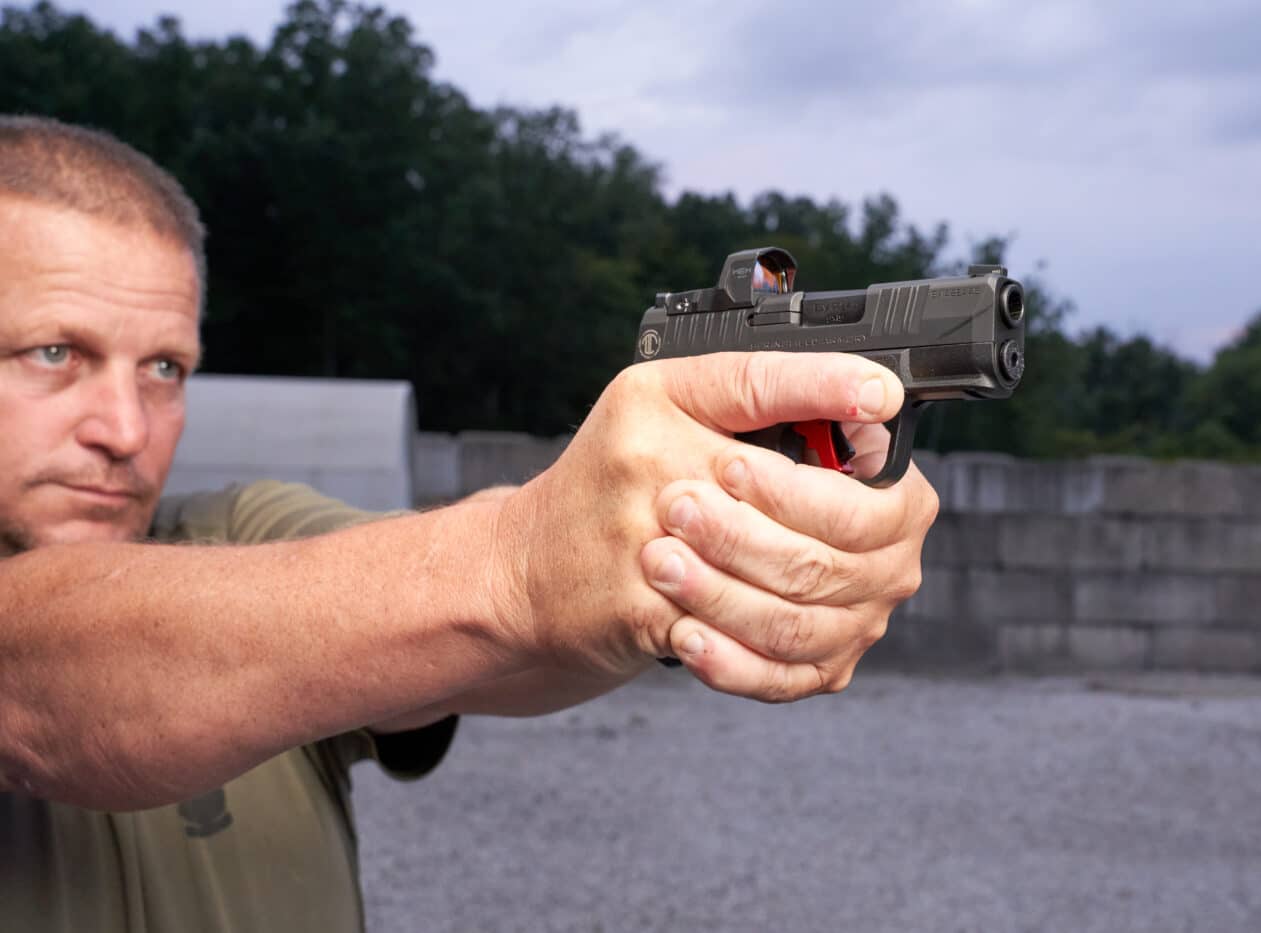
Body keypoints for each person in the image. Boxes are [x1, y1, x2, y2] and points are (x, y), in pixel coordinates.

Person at [0, 115, 939, 932]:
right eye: (53, 353)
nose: (124, 429)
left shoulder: (237, 528)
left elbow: (468, 632)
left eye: (165, 368)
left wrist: (659, 565)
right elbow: (42, 675)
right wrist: (525, 561)